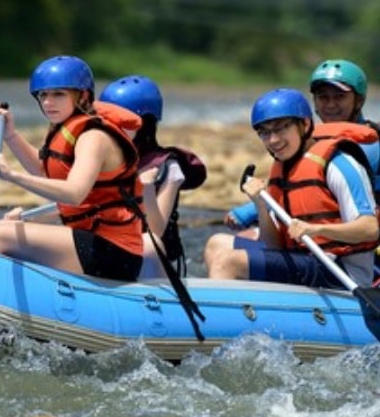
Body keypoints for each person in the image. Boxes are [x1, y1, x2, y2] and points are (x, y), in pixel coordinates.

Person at [0, 55, 144, 281]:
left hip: (115, 253)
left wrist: (12, 175)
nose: (48, 102)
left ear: (82, 96)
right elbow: (43, 172)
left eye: (59, 94)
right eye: (44, 95)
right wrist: (10, 135)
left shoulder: (93, 137)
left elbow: (74, 193)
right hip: (89, 240)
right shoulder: (67, 128)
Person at [204, 88, 379, 288]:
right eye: (265, 132)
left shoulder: (338, 164)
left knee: (227, 262)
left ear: (304, 125)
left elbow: (370, 229)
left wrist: (317, 229)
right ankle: (247, 309)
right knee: (216, 244)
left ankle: (223, 318)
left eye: (281, 128)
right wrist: (261, 206)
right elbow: (275, 246)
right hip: (303, 259)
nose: (273, 140)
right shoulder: (283, 168)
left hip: (340, 272)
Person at [223, 59, 380, 233]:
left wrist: (249, 211)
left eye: (340, 97)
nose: (330, 104)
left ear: (359, 101)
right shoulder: (314, 137)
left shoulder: (368, 144)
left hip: (360, 236)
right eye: (323, 97)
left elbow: (301, 183)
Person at [99, 75, 207, 278]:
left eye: (116, 122)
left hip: (151, 258)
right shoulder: (104, 158)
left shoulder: (169, 167)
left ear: (143, 125)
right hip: (111, 246)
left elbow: (156, 230)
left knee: (149, 243)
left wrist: (147, 188)